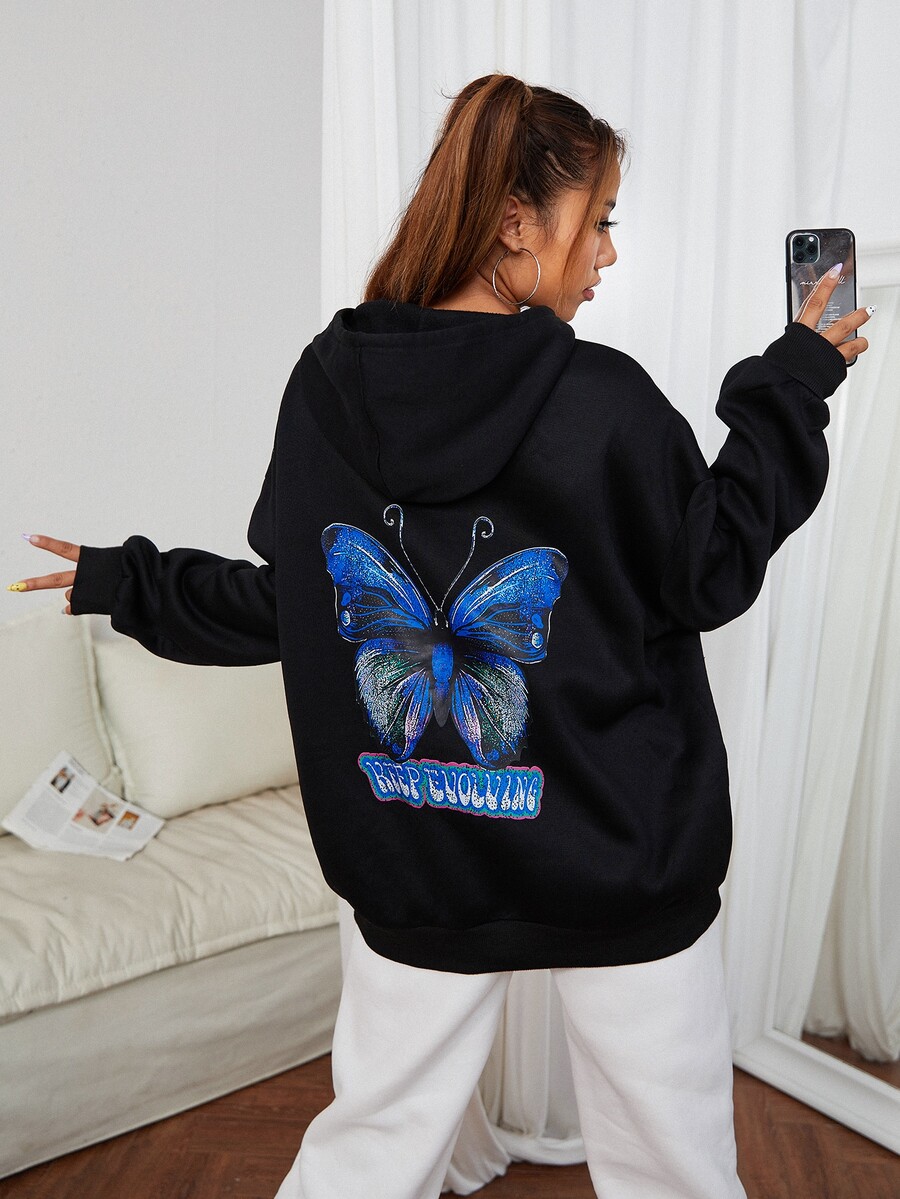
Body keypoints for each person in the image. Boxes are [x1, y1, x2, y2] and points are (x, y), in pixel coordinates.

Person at [8, 73, 872, 1199]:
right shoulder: (603, 401)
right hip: (622, 857)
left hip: (416, 855)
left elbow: (296, 603)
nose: (607, 253)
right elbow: (712, 570)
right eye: (598, 220)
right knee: (675, 1172)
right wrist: (794, 381)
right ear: (516, 223)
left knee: (371, 1151)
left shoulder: (328, 388)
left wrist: (129, 581)